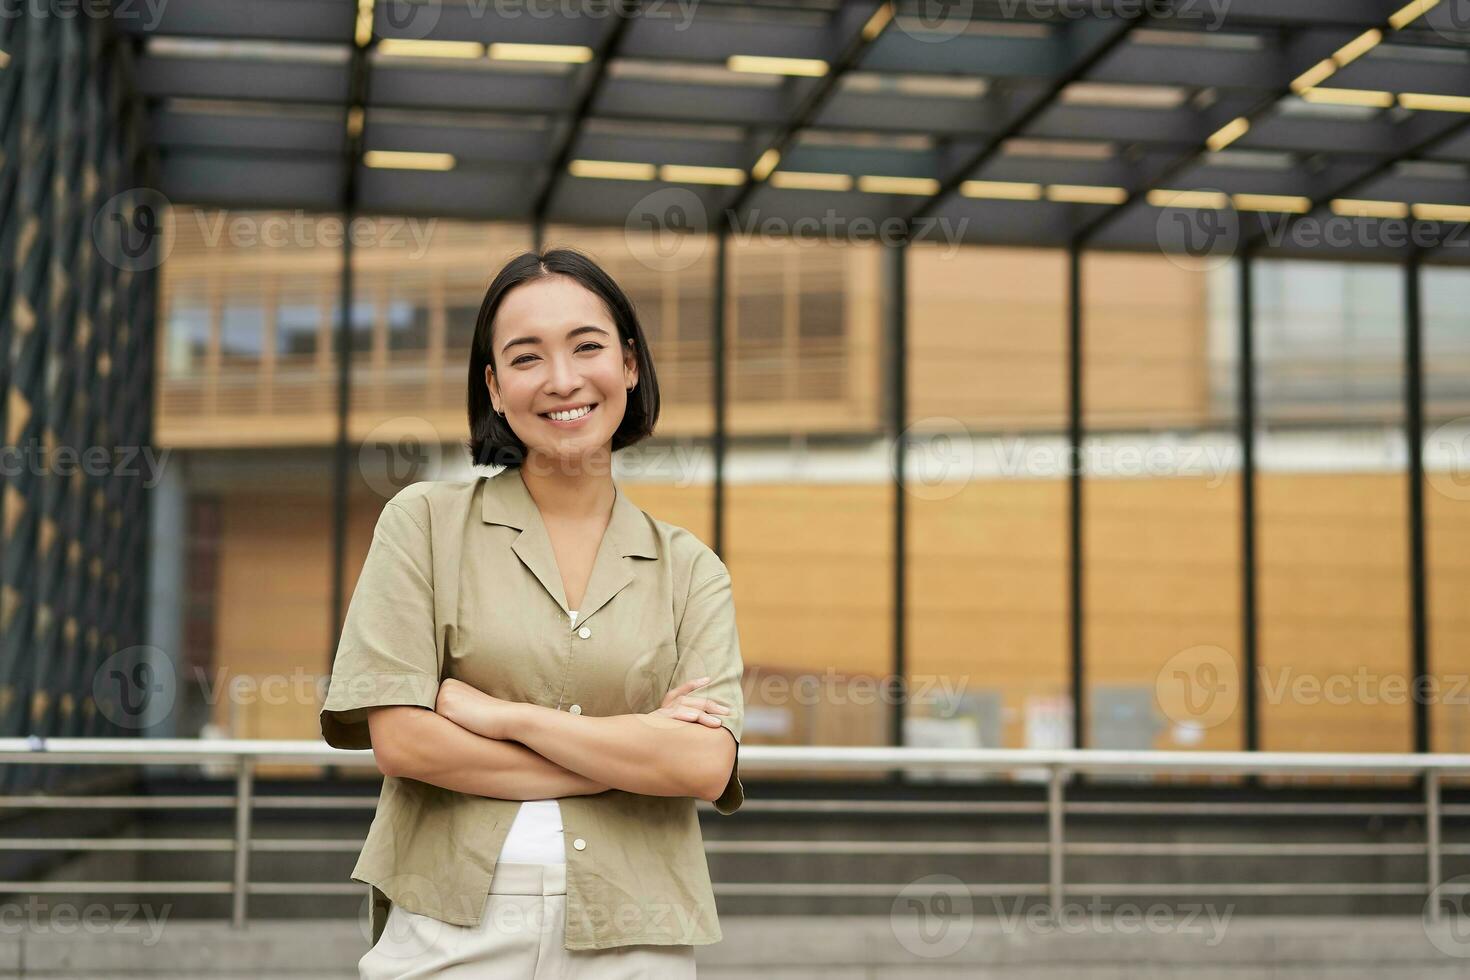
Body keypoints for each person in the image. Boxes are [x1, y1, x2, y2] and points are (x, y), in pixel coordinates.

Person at [319, 247, 746, 978]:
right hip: (451, 921)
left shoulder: (690, 570)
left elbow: (705, 762)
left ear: (631, 365)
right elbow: (404, 743)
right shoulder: (423, 522)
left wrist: (501, 718)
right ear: (493, 385)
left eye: (587, 347)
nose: (562, 380)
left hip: (633, 930)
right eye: (526, 358)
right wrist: (631, 753)